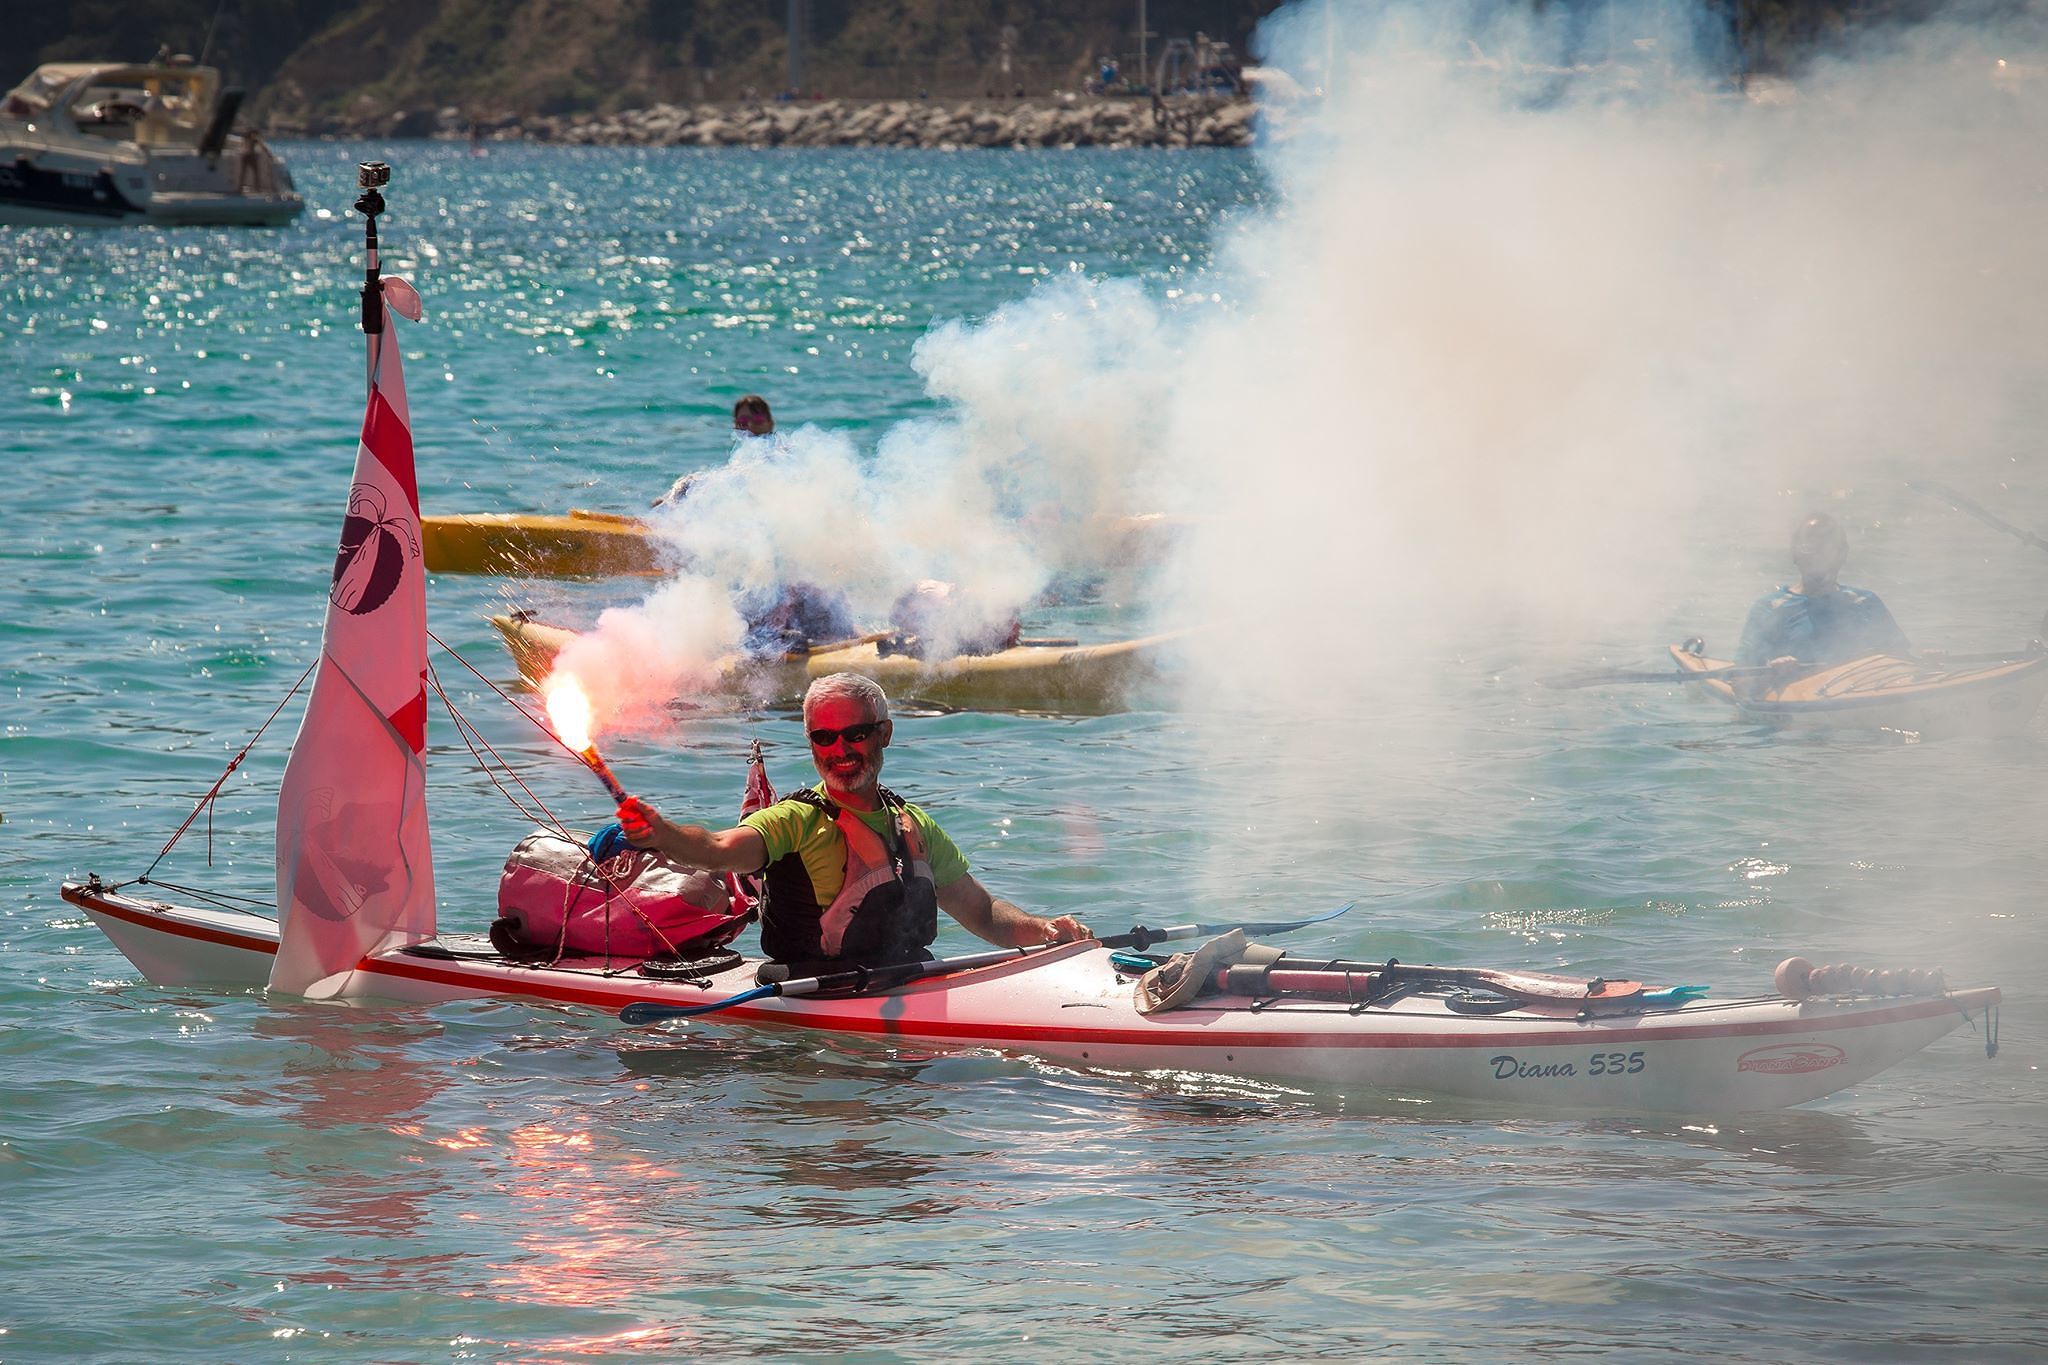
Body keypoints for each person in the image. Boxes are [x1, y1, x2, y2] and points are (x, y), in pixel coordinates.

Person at [616, 673, 1090, 974]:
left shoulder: (912, 825)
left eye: (854, 734)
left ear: (884, 732)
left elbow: (985, 916)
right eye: (823, 737)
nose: (839, 750)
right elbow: (719, 847)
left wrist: (1043, 929)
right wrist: (665, 834)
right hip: (814, 1002)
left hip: (907, 983)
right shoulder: (796, 822)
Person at [1735, 513, 1912, 669]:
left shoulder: (1865, 602)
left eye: (1826, 548)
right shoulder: (1769, 608)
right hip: (1797, 699)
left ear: (1843, 554)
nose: (1816, 555)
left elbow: (1902, 660)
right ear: (1794, 554)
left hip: (1863, 696)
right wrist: (1773, 671)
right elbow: (1741, 679)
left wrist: (1931, 663)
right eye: (1809, 547)